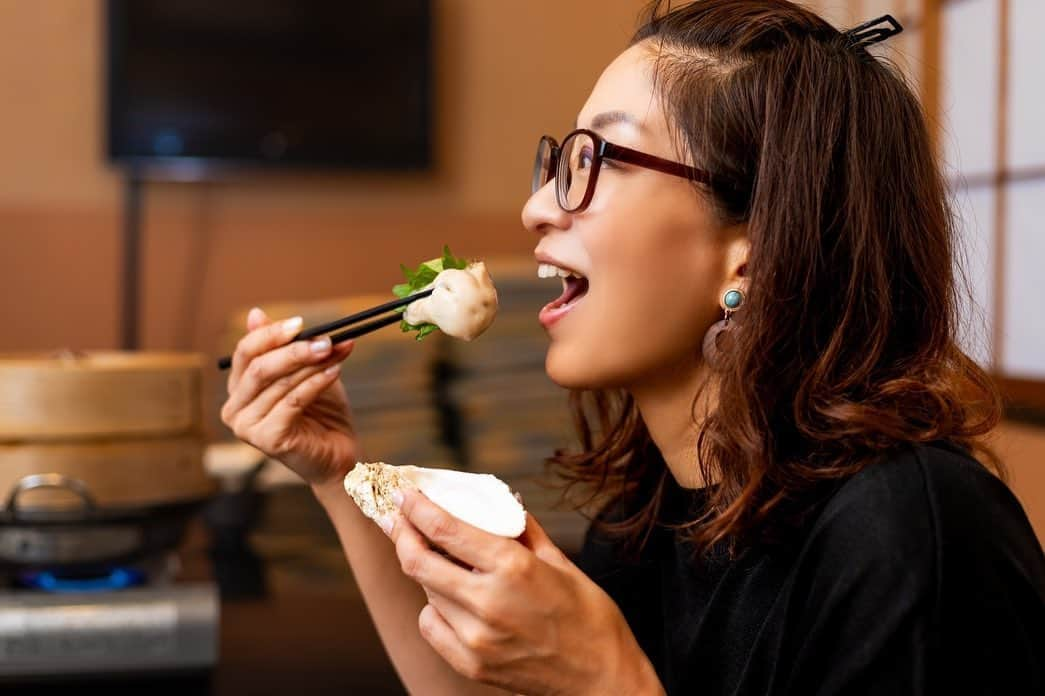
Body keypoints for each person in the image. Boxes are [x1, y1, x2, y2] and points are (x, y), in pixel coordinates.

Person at [220, 1, 1045, 693]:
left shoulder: (910, 532)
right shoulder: (657, 514)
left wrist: (604, 676)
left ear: (753, 246)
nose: (536, 208)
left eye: (594, 160)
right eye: (557, 162)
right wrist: (335, 472)